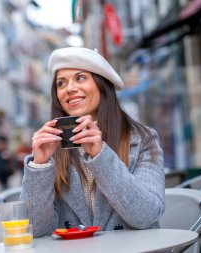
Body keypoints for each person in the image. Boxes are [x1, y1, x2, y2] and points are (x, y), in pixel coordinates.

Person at [20, 47, 165, 237]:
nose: (69, 89)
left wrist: (100, 155)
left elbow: (147, 215)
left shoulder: (143, 139)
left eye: (80, 78)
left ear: (102, 85)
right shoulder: (51, 146)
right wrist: (39, 166)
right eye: (61, 83)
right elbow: (34, 231)